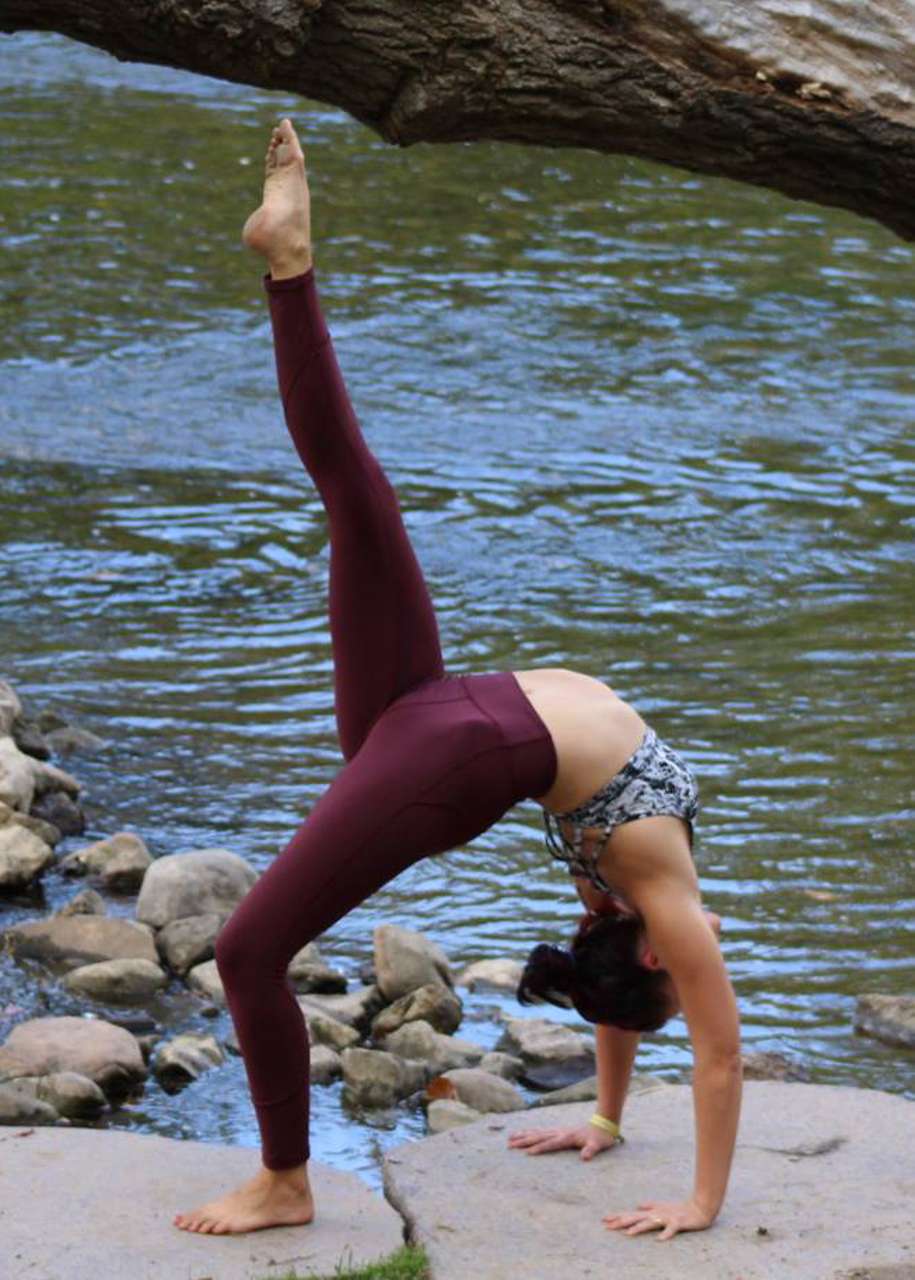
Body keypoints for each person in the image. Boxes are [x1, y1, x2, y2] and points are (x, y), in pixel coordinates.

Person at [173, 119, 741, 1242]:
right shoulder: (654, 894)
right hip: (448, 737)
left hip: (451, 713)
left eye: (660, 975)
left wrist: (609, 1118)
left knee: (354, 490)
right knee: (244, 950)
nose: (685, 966)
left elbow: (613, 989)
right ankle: (287, 1181)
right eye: (673, 970)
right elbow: (717, 1051)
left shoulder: (638, 885)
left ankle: (292, 265)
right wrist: (701, 1201)